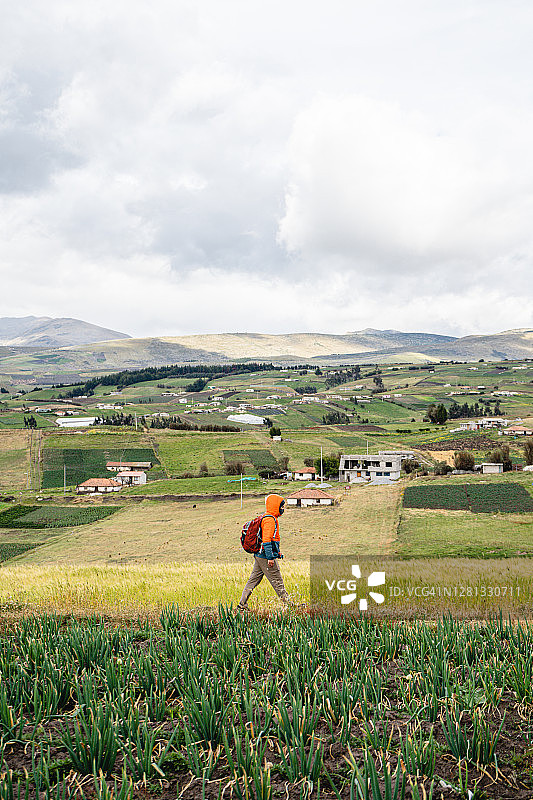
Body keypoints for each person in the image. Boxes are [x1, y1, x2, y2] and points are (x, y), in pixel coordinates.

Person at [236, 493, 291, 612]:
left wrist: (277, 553)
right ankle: (290, 606)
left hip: (260, 555)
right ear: (275, 506)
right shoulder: (269, 520)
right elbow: (266, 540)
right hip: (265, 556)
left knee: (253, 580)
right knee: (277, 580)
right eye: (281, 506)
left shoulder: (267, 517)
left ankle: (242, 605)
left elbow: (270, 539)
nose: (283, 509)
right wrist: (271, 557)